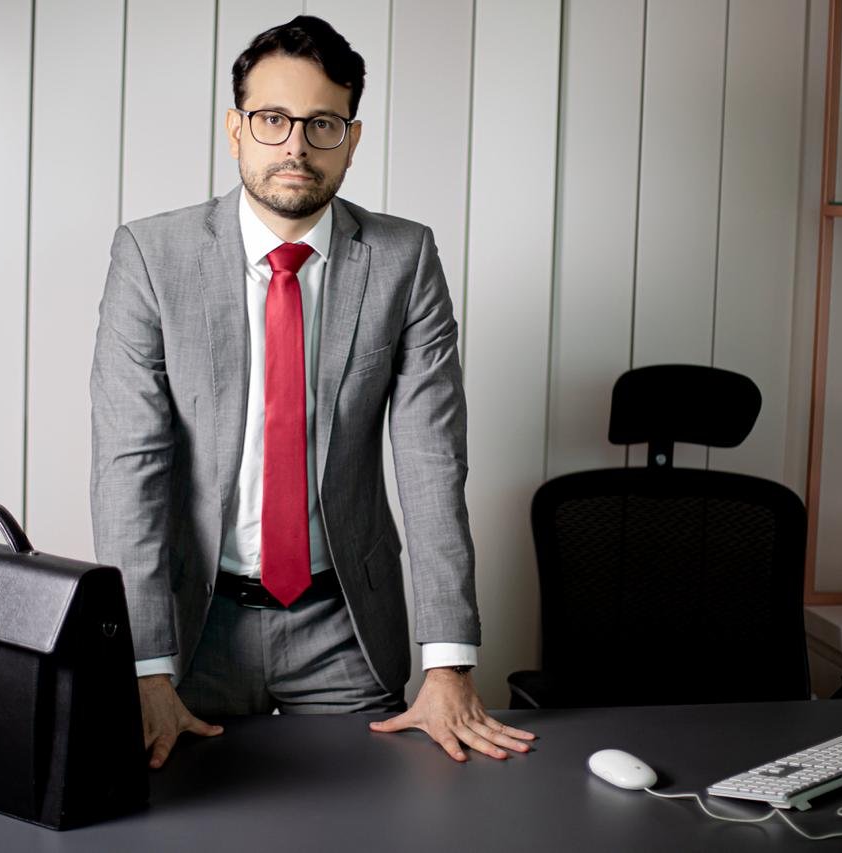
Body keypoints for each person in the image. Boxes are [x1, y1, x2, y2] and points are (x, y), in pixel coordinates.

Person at [90, 15, 534, 770]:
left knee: (374, 814)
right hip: (190, 623)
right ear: (235, 130)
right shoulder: (151, 257)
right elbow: (128, 467)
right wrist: (144, 665)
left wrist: (449, 662)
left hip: (343, 626)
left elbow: (431, 463)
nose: (295, 145)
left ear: (351, 141)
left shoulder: (404, 259)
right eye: (272, 119)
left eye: (322, 124)